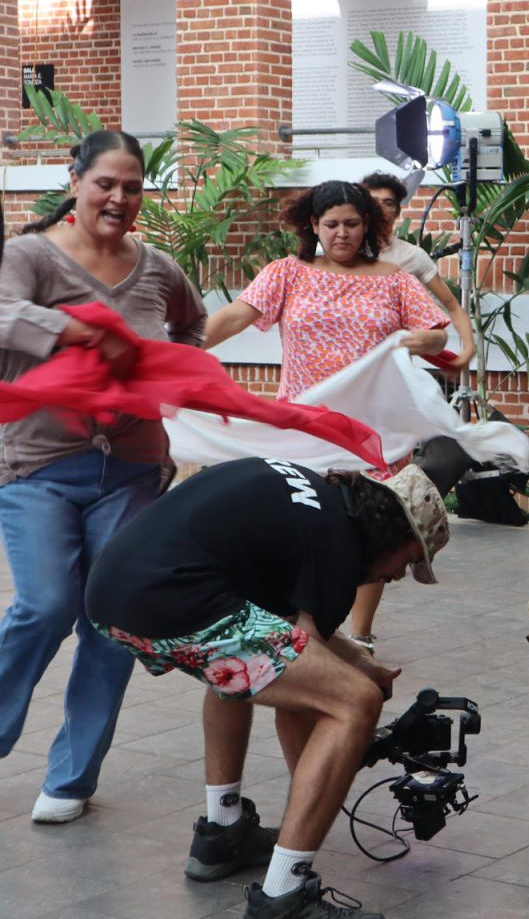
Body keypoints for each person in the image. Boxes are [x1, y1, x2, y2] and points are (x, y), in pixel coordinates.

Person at [85, 456, 450, 919]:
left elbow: (286, 635)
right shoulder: (338, 551)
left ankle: (223, 833)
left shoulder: (314, 500)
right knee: (355, 701)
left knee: (236, 665)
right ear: (394, 535)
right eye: (410, 560)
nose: (397, 576)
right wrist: (331, 770)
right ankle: (284, 896)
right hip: (173, 595)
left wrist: (357, 658)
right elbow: (304, 696)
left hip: (114, 589)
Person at [0, 129, 207, 824]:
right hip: (38, 466)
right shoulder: (29, 256)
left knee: (110, 618)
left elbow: (192, 331)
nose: (119, 199)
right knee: (45, 604)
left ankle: (70, 778)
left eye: (133, 187)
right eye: (105, 184)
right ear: (76, 180)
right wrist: (71, 332)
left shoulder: (157, 269)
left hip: (134, 471)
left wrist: (167, 374)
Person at [203, 180, 449, 653]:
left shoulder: (395, 280)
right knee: (305, 528)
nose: (342, 234)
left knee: (366, 531)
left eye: (352, 224)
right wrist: (177, 350)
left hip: (367, 434)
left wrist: (411, 341)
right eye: (331, 224)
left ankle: (357, 634)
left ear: (368, 226)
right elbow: (234, 316)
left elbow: (436, 336)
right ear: (313, 225)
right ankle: (306, 628)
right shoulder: (286, 273)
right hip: (303, 428)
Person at [357, 171, 476, 369]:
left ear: (397, 212)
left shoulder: (413, 256)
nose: (381, 208)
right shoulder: (344, 253)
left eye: (388, 203)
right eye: (373, 202)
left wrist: (469, 348)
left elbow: (452, 305)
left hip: (392, 367)